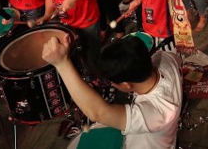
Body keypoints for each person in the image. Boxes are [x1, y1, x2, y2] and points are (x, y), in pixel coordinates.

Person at [42, 34, 183, 149]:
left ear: (127, 85)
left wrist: (62, 63)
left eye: (113, 83)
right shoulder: (164, 59)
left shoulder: (155, 113)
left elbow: (98, 113)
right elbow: (177, 60)